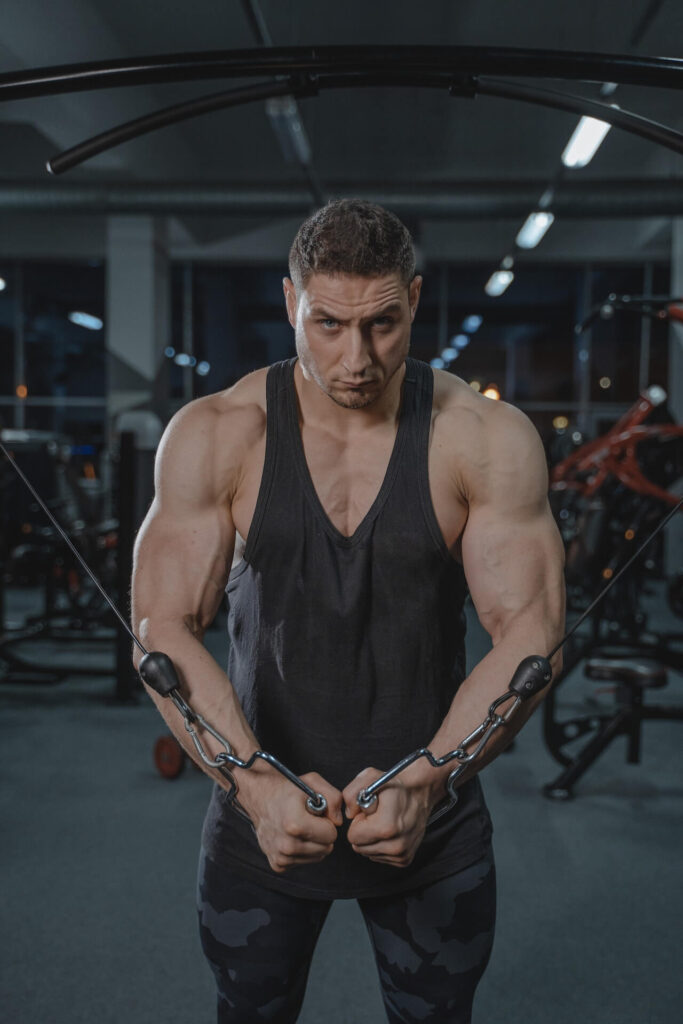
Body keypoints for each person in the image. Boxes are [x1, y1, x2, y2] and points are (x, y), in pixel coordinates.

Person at [131, 199, 566, 1024]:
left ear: (414, 298)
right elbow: (160, 627)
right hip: (259, 815)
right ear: (291, 299)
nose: (356, 357)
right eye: (327, 323)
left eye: (383, 325)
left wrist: (433, 777)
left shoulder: (481, 437)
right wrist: (255, 787)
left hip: (430, 826)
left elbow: (530, 633)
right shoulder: (220, 433)